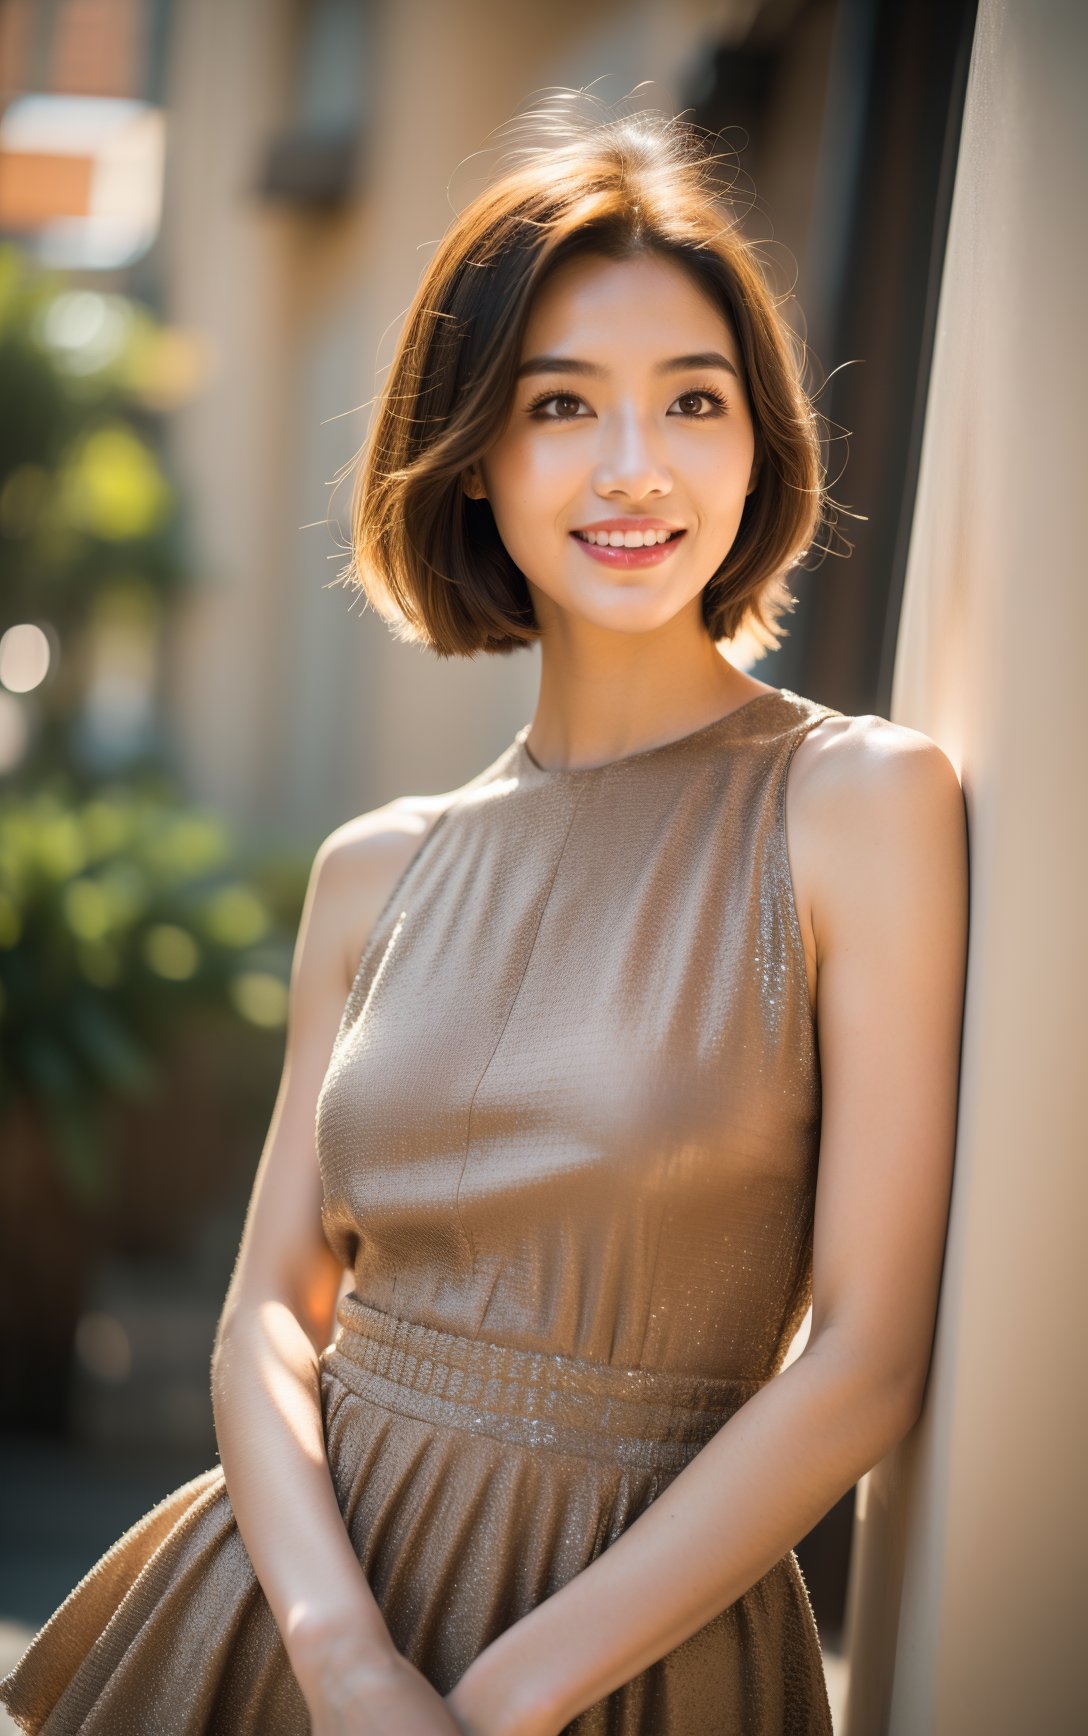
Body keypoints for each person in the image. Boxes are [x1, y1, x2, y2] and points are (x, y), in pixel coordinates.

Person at [0, 97, 968, 1736]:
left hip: (630, 1654)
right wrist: (351, 1664)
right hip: (289, 1613)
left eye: (694, 401)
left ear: (761, 442)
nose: (635, 467)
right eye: (560, 405)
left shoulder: (860, 806)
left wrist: (503, 1692)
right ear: (472, 454)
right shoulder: (376, 865)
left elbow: (866, 1359)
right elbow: (264, 1320)